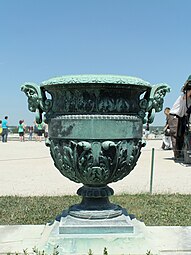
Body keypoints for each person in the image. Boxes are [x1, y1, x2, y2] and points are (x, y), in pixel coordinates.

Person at [168, 75, 191, 160]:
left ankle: (181, 152)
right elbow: (187, 93)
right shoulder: (184, 96)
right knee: (175, 135)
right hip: (174, 116)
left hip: (182, 117)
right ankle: (177, 154)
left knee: (182, 135)